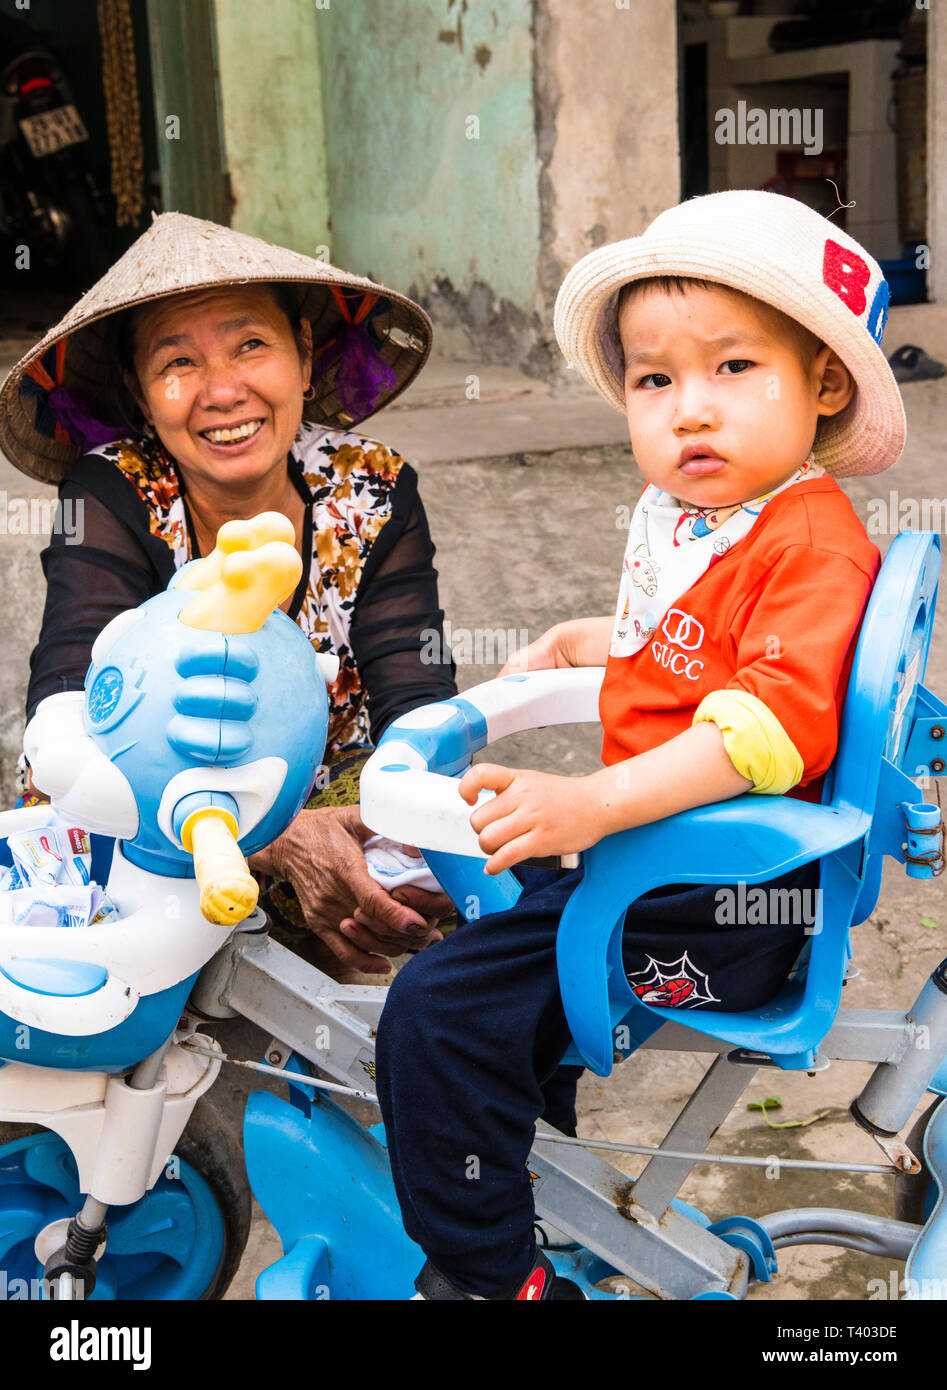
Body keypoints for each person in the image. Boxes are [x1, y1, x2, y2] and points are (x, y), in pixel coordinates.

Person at [374, 190, 906, 1300]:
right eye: (654, 380)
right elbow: (702, 646)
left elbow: (757, 728)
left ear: (821, 384)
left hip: (721, 900)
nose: (688, 412)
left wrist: (594, 801)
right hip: (672, 867)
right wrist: (602, 641)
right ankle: (521, 1128)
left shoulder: (810, 540)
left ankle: (486, 1276)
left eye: (731, 369)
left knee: (432, 1010)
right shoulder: (718, 516)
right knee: (484, 923)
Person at [0, 211, 456, 978]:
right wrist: (267, 843)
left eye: (251, 345)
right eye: (177, 363)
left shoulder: (371, 490)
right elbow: (70, 704)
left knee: (462, 854)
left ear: (304, 358)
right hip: (131, 813)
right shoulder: (112, 492)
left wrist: (413, 839)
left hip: (320, 806)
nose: (220, 392)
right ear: (141, 397)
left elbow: (419, 707)